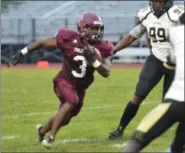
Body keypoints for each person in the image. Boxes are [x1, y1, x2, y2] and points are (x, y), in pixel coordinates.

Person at [8, 12, 114, 149]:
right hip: (64, 80)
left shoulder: (103, 47)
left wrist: (93, 61)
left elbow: (106, 72)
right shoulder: (69, 38)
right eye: (93, 28)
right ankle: (50, 138)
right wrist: (21, 53)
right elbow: (42, 43)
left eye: (99, 28)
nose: (97, 32)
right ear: (83, 27)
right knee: (71, 101)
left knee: (66, 118)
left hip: (80, 88)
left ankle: (41, 131)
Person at [109, 0, 184, 140]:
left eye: (159, 2)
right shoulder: (147, 15)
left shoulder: (177, 14)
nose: (156, 5)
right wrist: (114, 50)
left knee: (170, 104)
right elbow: (131, 36)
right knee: (138, 94)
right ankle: (120, 129)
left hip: (176, 63)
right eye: (154, 2)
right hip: (155, 60)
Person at [123, 12, 185, 153]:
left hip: (176, 101)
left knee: (137, 139)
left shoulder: (178, 35)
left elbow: (170, 61)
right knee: (177, 147)